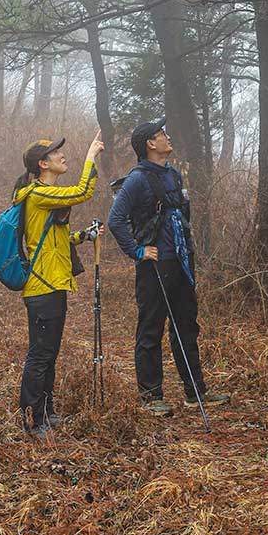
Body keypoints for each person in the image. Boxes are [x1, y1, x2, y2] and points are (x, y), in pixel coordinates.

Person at [108, 118, 229, 415]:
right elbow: (115, 220)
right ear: (150, 143)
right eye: (162, 133)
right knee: (151, 328)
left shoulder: (173, 175)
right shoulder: (136, 179)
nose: (167, 136)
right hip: (154, 266)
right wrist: (137, 251)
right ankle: (151, 397)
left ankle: (195, 392)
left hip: (181, 262)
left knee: (186, 326)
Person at [13, 130, 104, 439]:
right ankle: (32, 419)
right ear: (42, 164)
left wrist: (84, 236)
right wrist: (91, 157)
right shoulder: (38, 194)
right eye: (55, 153)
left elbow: (56, 240)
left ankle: (47, 412)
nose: (62, 155)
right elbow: (82, 192)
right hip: (42, 287)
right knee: (39, 355)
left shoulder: (45, 198)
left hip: (54, 284)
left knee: (49, 354)